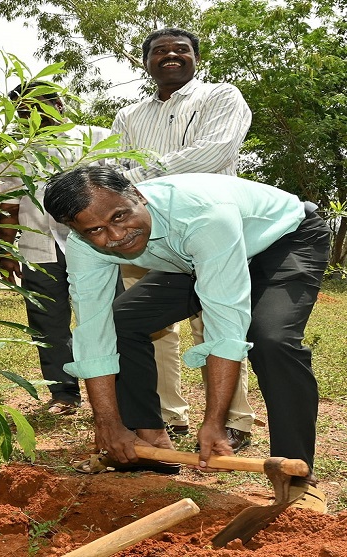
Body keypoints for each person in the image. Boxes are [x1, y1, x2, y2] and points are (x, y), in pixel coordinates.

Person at [43, 167, 328, 512]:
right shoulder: (84, 246)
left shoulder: (203, 214)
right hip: (193, 258)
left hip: (282, 240)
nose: (116, 235)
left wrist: (214, 422)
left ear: (138, 196)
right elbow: (93, 328)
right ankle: (150, 442)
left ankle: (295, 474)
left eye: (120, 216)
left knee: (272, 339)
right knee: (121, 323)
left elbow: (225, 324)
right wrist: (108, 423)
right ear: (75, 231)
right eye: (96, 230)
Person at [112, 27, 255, 450]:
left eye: (181, 50)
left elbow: (216, 151)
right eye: (159, 51)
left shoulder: (220, 97)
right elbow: (114, 166)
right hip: (145, 235)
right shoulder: (129, 116)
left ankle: (233, 420)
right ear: (146, 62)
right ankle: (165, 416)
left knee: (216, 322)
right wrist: (128, 183)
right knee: (150, 329)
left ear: (195, 57)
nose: (170, 56)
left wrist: (138, 176)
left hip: (210, 229)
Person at [0, 82, 110, 415]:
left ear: (58, 104)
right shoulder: (15, 153)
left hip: (95, 246)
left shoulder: (95, 137)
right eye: (22, 111)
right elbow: (8, 205)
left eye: (37, 106)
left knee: (102, 318)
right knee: (48, 324)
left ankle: (115, 388)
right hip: (39, 248)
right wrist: (5, 252)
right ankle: (64, 393)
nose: (30, 116)